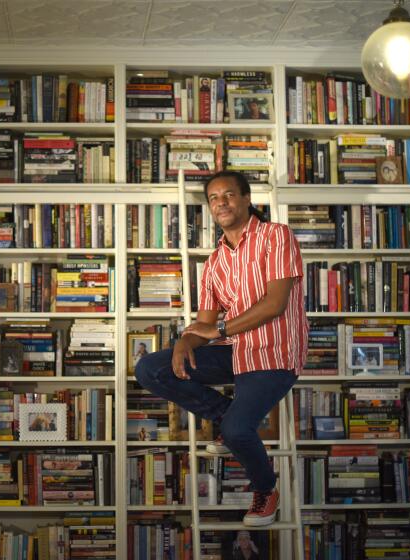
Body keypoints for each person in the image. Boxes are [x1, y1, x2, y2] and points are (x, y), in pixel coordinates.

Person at [135, 170, 307, 527]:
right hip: (233, 352)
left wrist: (218, 329)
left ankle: (266, 489)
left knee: (238, 432)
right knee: (150, 369)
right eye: (214, 198)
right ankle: (227, 419)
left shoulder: (276, 237)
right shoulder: (214, 262)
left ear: (246, 199)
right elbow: (205, 321)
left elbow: (274, 304)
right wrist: (185, 340)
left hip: (273, 354)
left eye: (229, 195)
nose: (221, 203)